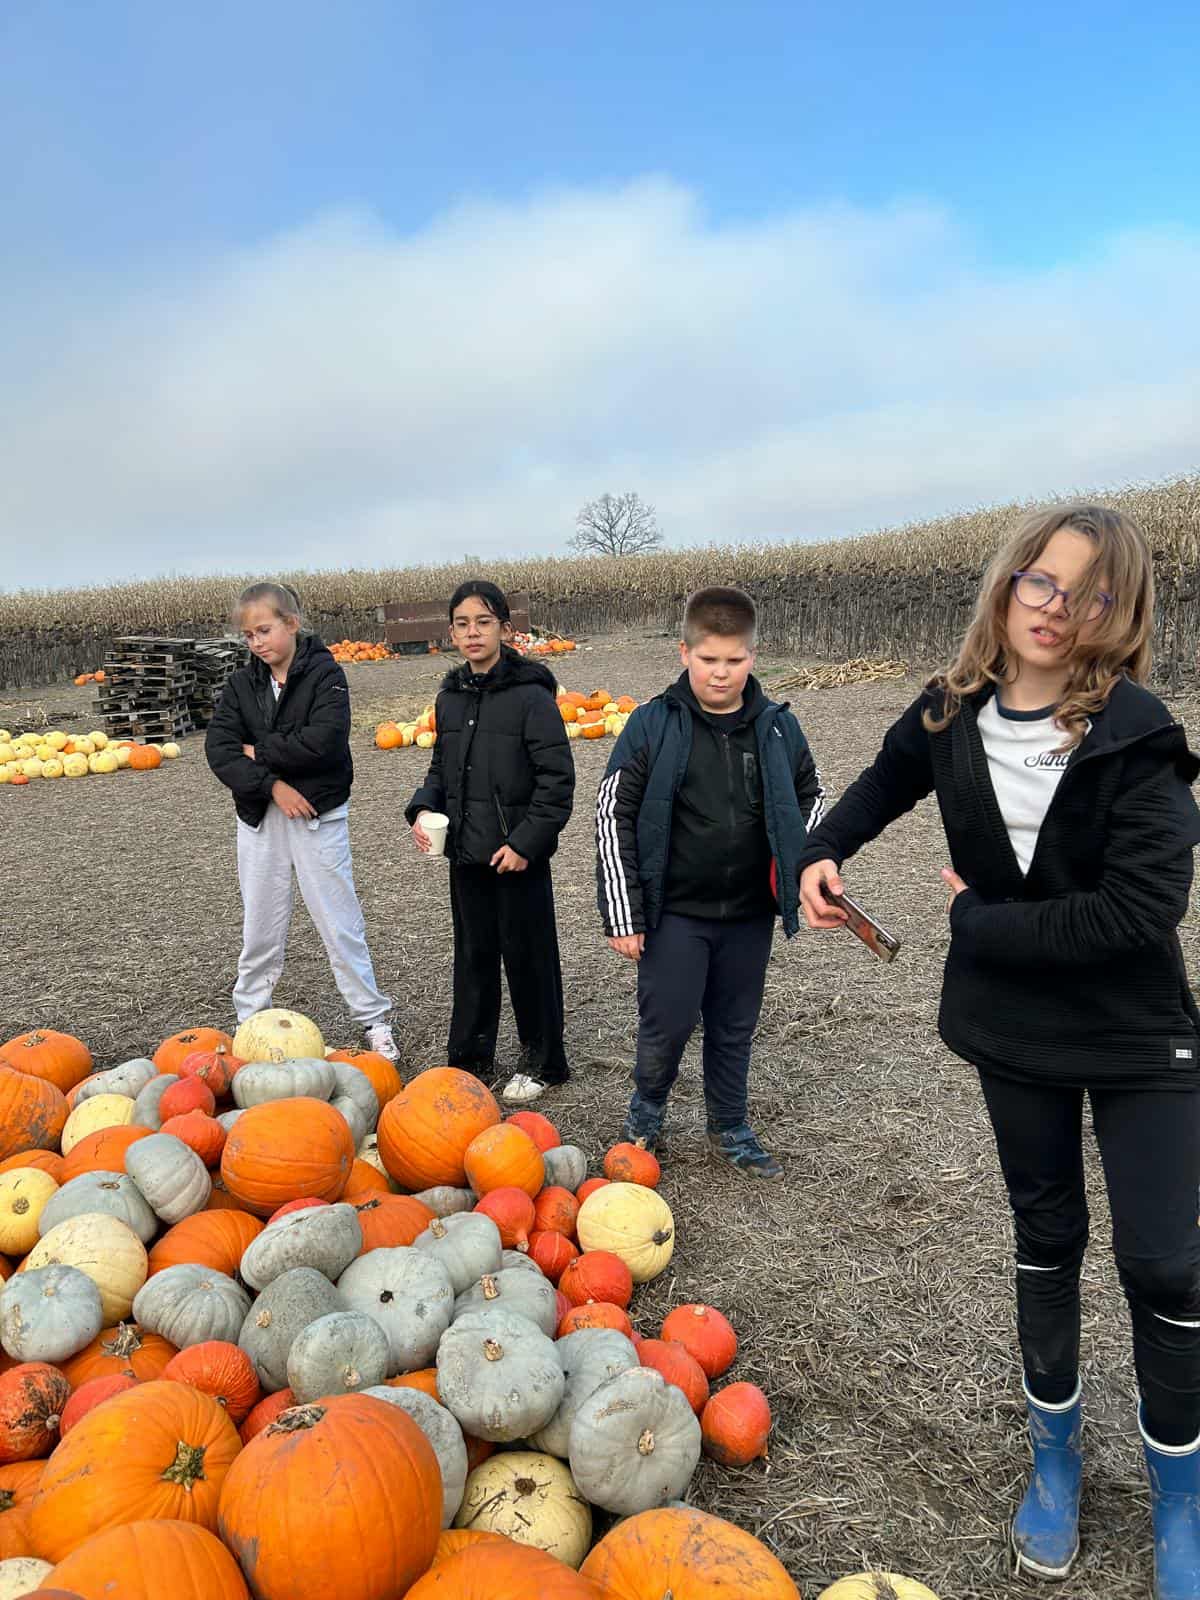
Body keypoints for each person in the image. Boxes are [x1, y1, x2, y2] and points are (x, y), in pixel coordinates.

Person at [796, 505, 1200, 1596]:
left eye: (1092, 595)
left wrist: (978, 925)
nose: (1058, 609)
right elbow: (882, 781)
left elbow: (1139, 909)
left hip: (1132, 1030)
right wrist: (822, 847)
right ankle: (1056, 1460)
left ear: (1121, 614)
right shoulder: (949, 709)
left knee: (1165, 1264)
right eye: (1042, 581)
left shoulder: (1140, 733)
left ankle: (1181, 1496)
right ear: (1010, 581)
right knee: (1047, 1235)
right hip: (1015, 1030)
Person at [595, 585, 825, 1178]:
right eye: (708, 659)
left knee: (734, 1023)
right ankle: (646, 1114)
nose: (721, 673)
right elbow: (613, 811)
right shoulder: (652, 724)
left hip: (747, 913)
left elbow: (812, 795)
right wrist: (624, 912)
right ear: (684, 653)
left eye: (734, 659)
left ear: (753, 657)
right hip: (675, 912)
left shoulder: (777, 727)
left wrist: (801, 862)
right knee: (668, 1021)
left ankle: (729, 1123)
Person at [205, 581, 397, 1060]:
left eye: (264, 630)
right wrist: (273, 786)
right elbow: (220, 751)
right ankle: (249, 1019)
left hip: (317, 815)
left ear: (291, 624)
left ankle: (373, 1020)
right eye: (249, 635)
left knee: (338, 922)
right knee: (260, 925)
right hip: (260, 817)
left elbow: (323, 741)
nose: (257, 642)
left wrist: (259, 751)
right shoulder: (241, 685)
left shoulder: (326, 675)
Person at [407, 581, 574, 1103]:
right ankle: (470, 1058)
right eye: (462, 624)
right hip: (466, 853)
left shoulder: (532, 698)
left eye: (483, 622)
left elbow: (556, 782)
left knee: (529, 959)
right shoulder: (449, 699)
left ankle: (544, 1061)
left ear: (504, 628)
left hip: (517, 857)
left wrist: (525, 843)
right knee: (474, 956)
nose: (473, 632)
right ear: (451, 633)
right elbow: (440, 768)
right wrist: (423, 808)